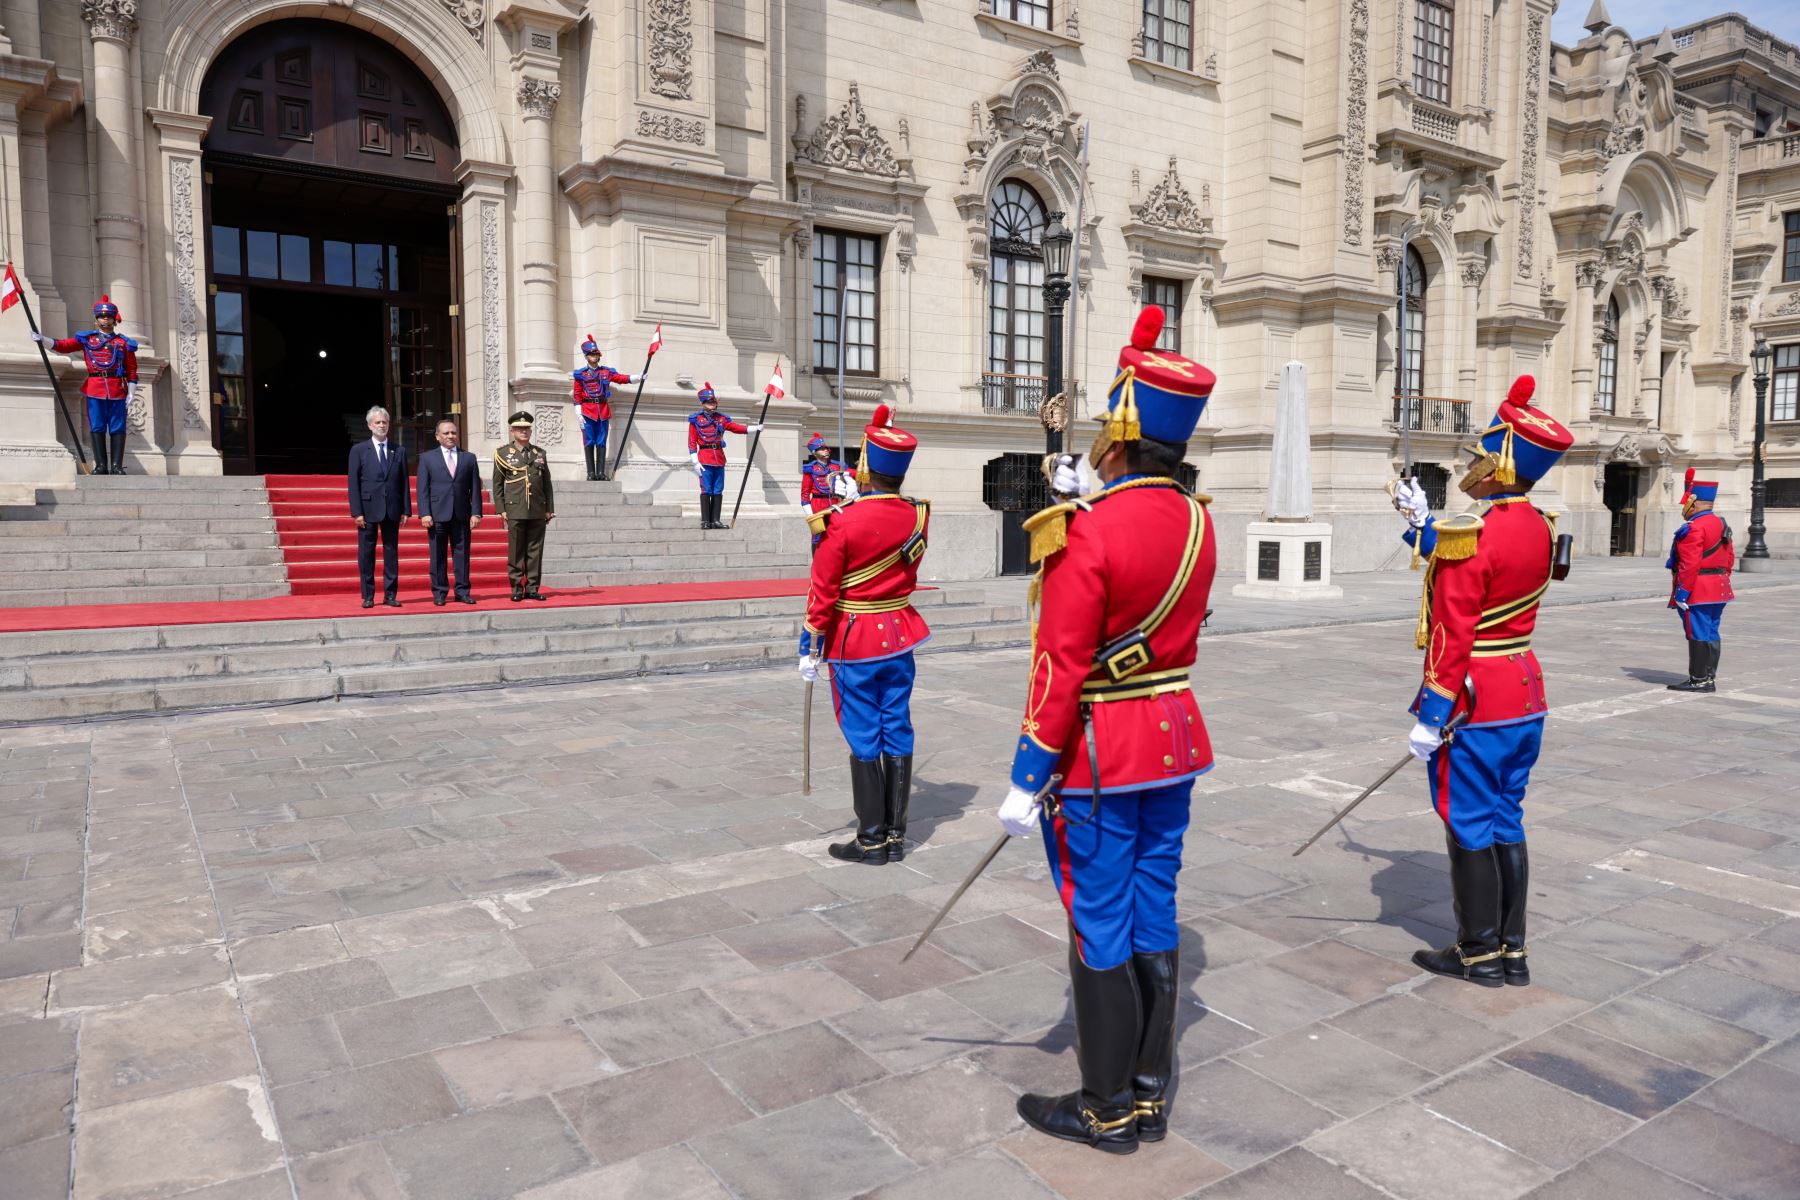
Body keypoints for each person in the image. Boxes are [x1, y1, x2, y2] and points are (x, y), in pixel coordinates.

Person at [995, 305, 1216, 1155]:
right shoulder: (1200, 523)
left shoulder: (1083, 534)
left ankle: (1105, 1105)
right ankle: (1151, 1093)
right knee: (1155, 906)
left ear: (1120, 432)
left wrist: (1026, 771)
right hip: (1173, 737)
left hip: (1100, 751)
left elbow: (1060, 661)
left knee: (1100, 916)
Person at [1391, 374, 1573, 990]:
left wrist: (1432, 713)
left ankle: (1477, 952)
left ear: (1499, 465)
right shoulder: (1539, 525)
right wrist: (1419, 522)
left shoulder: (1474, 534)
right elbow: (1477, 558)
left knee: (1467, 820)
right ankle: (1513, 951)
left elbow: (1453, 627)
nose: (1470, 466)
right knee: (1505, 818)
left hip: (1476, 698)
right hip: (1524, 689)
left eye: (1478, 457)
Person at [799, 405, 929, 865]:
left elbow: (823, 589)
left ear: (866, 467)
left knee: (861, 732)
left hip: (854, 638)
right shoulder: (918, 516)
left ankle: (871, 838)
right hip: (900, 633)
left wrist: (810, 637)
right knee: (896, 723)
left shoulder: (842, 521)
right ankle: (895, 835)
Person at [30, 295, 137, 475]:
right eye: (102, 316)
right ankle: (101, 466)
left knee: (118, 428)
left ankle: (117, 466)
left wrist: (131, 392)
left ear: (114, 319)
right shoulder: (88, 339)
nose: (105, 319)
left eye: (109, 316)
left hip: (118, 389)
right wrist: (43, 339)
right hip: (95, 388)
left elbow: (132, 370)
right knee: (97, 427)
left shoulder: (123, 343)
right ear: (96, 320)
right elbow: (63, 345)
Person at [1664, 468, 1734, 693]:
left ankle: (1699, 679)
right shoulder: (1722, 524)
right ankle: (1709, 676)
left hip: (1698, 590)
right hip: (1719, 588)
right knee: (1712, 631)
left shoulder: (1694, 528)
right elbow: (1730, 559)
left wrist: (1682, 592)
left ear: (1693, 503)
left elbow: (1689, 564)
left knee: (1697, 633)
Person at [347, 406, 410, 609]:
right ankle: (368, 595)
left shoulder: (398, 450)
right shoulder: (358, 450)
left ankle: (390, 594)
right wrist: (356, 512)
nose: (382, 425)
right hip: (367, 510)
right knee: (366, 554)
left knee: (391, 554)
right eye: (378, 422)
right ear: (369, 425)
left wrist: (405, 509)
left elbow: (404, 483)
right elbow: (353, 483)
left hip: (392, 508)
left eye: (384, 422)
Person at [416, 418, 483, 606]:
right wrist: (424, 513)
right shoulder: (427, 458)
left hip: (462, 514)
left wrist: (476, 513)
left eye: (453, 432)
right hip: (436, 515)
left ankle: (462, 591)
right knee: (437, 556)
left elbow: (475, 488)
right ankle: (439, 592)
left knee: (462, 555)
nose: (450, 436)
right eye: (446, 433)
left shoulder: (468, 458)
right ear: (437, 436)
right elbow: (422, 488)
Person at [492, 410, 555, 602]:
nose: (524, 432)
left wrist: (549, 508)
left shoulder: (539, 453)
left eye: (527, 428)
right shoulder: (503, 453)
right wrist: (501, 509)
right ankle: (517, 588)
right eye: (520, 428)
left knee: (535, 550)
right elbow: (497, 484)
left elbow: (546, 483)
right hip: (515, 508)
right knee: (517, 550)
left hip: (537, 508)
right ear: (512, 431)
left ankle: (533, 587)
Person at [687, 383, 763, 529]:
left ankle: (715, 520)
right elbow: (691, 442)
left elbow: (736, 428)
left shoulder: (721, 419)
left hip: (719, 459)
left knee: (718, 490)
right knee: (706, 490)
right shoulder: (696, 420)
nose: (712, 404)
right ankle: (705, 521)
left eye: (714, 401)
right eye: (709, 402)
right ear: (703, 403)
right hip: (704, 458)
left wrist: (755, 428)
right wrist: (695, 461)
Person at [571, 335, 630, 481]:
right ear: (586, 356)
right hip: (587, 411)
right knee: (589, 441)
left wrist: (637, 377)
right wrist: (579, 414)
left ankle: (601, 473)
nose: (594, 356)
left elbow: (621, 378)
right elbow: (577, 395)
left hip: (602, 410)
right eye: (591, 354)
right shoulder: (580, 374)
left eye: (596, 354)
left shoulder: (606, 372)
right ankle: (591, 473)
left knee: (601, 441)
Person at [799, 433, 856, 552]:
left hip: (836, 503)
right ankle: (817, 564)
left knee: (838, 533)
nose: (825, 450)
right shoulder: (810, 469)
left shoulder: (837, 465)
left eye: (825, 448)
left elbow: (852, 474)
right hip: (818, 504)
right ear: (815, 452)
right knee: (818, 536)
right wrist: (810, 514)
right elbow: (805, 495)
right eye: (821, 449)